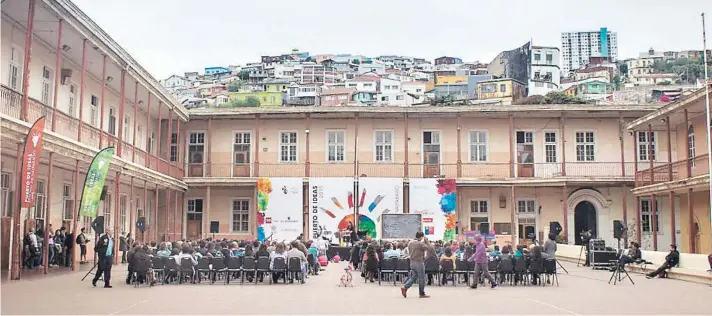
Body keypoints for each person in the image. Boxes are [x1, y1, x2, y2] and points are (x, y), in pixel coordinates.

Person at [400, 231, 435, 298]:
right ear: (421, 237)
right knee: (422, 278)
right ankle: (421, 293)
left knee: (414, 276)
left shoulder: (410, 243)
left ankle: (405, 287)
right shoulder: (420, 244)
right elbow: (430, 248)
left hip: (412, 262)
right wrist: (426, 241)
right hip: (419, 262)